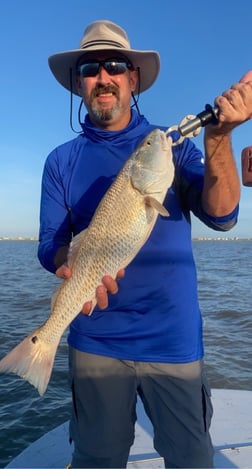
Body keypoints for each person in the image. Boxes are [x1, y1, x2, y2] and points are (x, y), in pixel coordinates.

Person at [38, 19, 252, 468]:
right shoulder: (61, 161)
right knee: (97, 459)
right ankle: (41, 345)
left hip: (172, 341)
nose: (104, 77)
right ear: (79, 84)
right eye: (91, 68)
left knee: (191, 459)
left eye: (115, 65)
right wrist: (72, 265)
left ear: (132, 78)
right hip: (95, 341)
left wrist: (219, 136)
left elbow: (222, 216)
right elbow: (50, 244)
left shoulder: (169, 147)